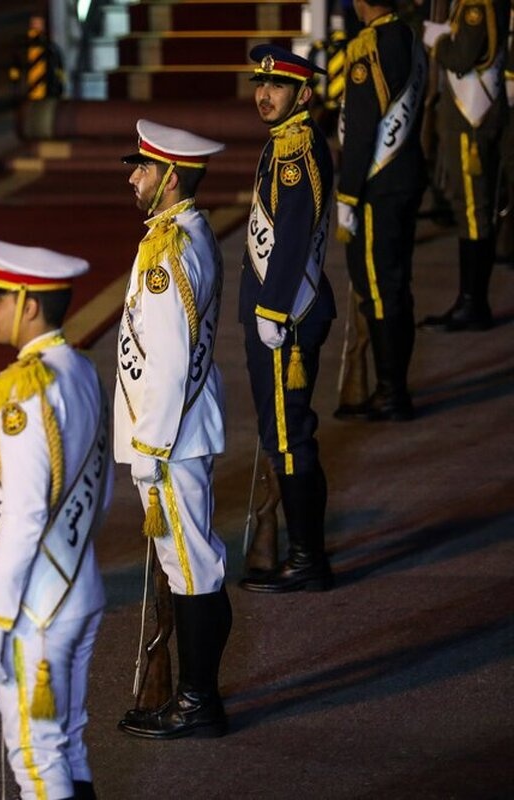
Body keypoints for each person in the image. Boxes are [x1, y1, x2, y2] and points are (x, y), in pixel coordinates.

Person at [0, 240, 113, 799]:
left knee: (35, 759)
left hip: (36, 608)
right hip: (79, 584)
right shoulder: (79, 369)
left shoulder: (26, 391)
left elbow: (24, 516)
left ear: (29, 304)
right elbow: (99, 487)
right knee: (67, 744)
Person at [111, 120, 233, 740]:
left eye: (143, 168)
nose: (134, 177)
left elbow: (166, 360)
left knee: (193, 568)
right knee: (187, 564)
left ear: (172, 176)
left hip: (171, 440)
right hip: (180, 432)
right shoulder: (182, 234)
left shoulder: (169, 252)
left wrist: (148, 451)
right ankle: (191, 695)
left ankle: (198, 701)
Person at [237, 46, 337, 594]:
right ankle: (304, 551)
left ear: (304, 95)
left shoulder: (296, 151)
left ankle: (306, 559)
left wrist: (272, 311)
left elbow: (294, 236)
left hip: (287, 318)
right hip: (281, 312)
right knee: (283, 435)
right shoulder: (284, 143)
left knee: (288, 438)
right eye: (260, 84)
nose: (264, 94)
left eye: (277, 88)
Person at [335, 0, 428, 420]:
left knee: (377, 287)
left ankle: (392, 392)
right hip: (406, 175)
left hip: (377, 185)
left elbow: (360, 127)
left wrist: (348, 194)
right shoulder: (409, 36)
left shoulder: (367, 47)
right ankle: (396, 386)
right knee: (395, 282)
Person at [421, 0, 510, 331]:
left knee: (473, 211)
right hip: (469, 119)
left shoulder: (476, 3)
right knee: (470, 209)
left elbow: (461, 56)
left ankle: (474, 303)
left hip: (471, 122)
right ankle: (467, 299)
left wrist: (437, 39)